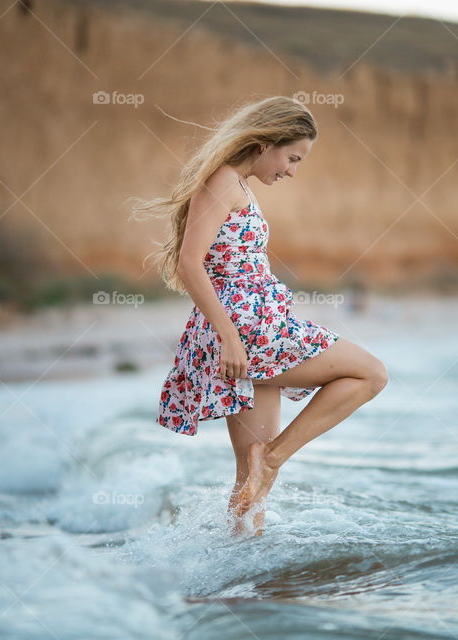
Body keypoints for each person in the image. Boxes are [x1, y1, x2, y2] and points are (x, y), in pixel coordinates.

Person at [129, 96, 388, 537]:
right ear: (266, 141)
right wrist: (230, 337)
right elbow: (191, 264)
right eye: (292, 158)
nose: (291, 170)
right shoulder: (223, 182)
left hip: (248, 325)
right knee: (371, 374)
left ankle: (238, 574)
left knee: (250, 483)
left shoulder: (236, 184)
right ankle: (273, 456)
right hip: (248, 329)